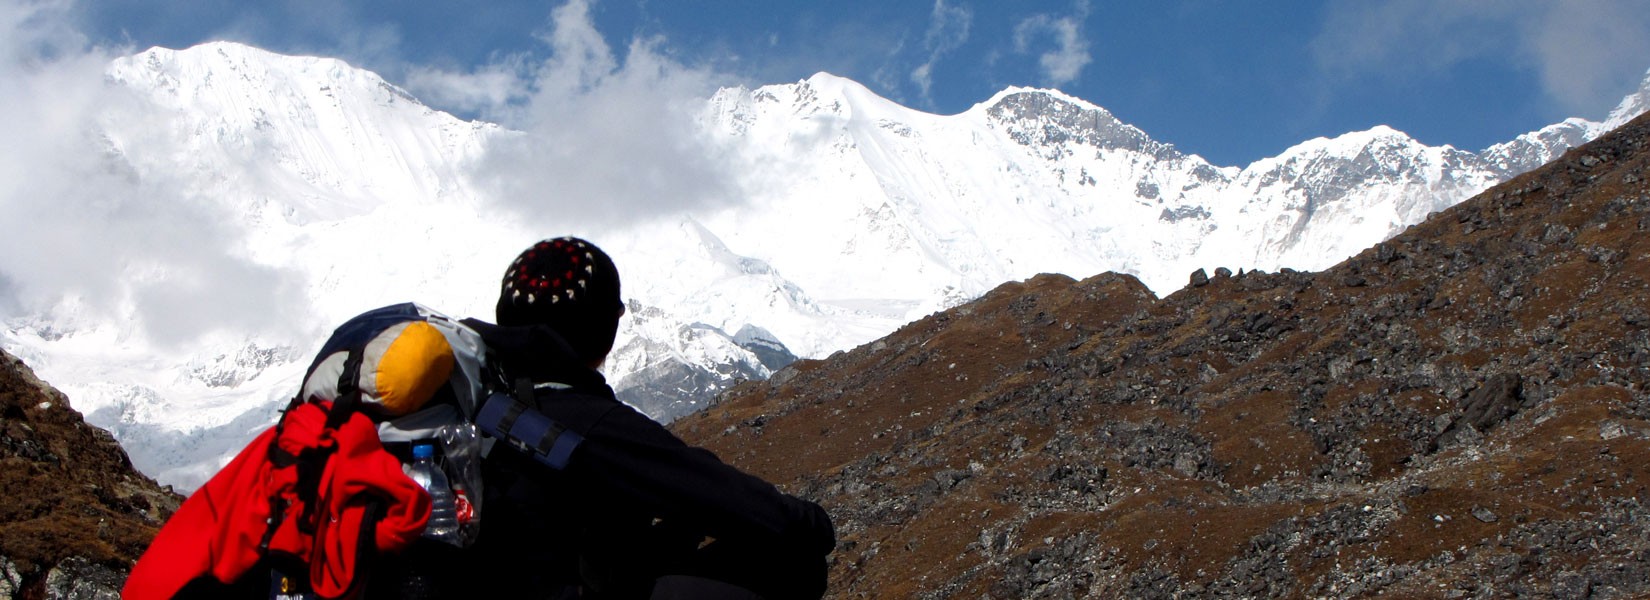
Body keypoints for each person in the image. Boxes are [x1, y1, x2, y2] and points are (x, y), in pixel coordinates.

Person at [458, 237, 835, 599]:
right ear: (605, 328)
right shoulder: (589, 424)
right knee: (794, 559)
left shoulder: (471, 401)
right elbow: (738, 502)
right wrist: (813, 523)